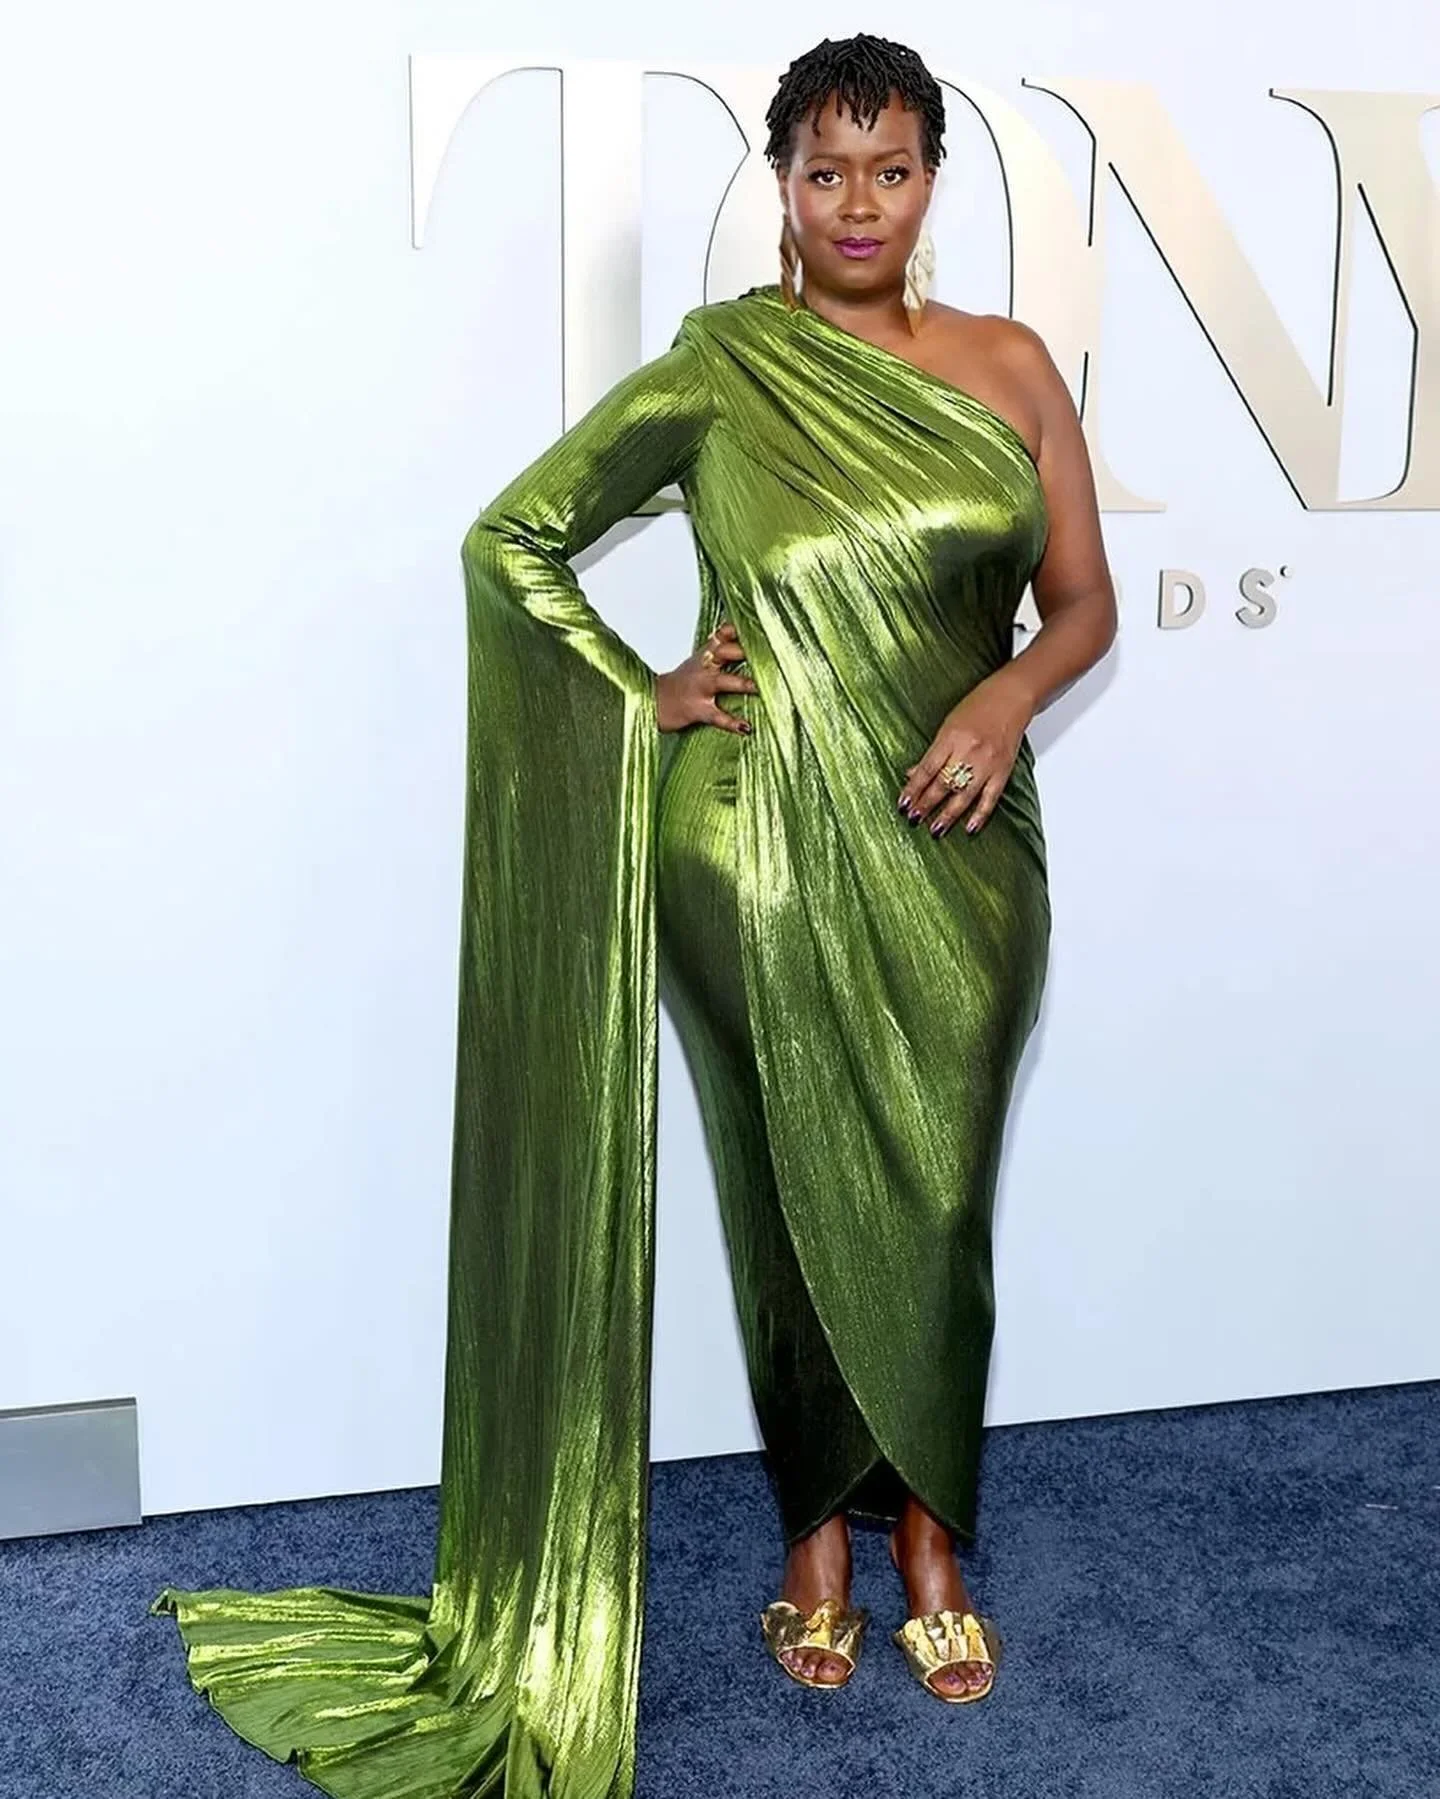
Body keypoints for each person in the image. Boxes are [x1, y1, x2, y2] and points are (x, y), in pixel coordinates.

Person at [149, 31, 1116, 1799]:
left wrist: (1005, 700)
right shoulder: (723, 370)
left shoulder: (1010, 366)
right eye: (822, 170)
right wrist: (635, 690)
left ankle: (925, 1521)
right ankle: (838, 1544)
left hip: (967, 851)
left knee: (941, 1187)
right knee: (782, 1181)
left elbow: (1080, 604)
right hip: (748, 840)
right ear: (779, 183)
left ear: (932, 183)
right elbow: (512, 538)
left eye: (888, 169)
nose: (854, 202)